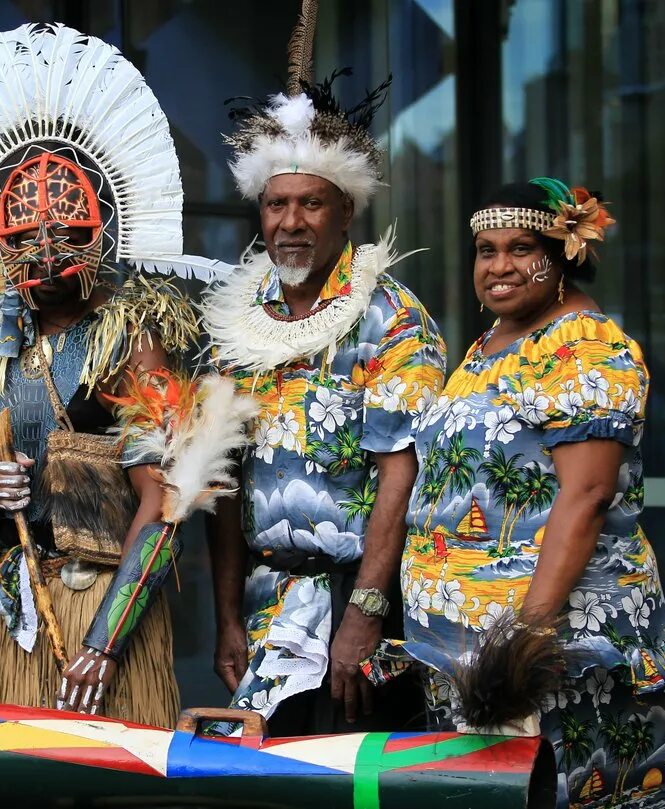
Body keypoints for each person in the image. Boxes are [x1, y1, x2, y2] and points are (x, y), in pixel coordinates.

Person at [0, 24, 217, 729]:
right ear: (1, 245)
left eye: (60, 238)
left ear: (95, 236)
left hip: (104, 608)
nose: (42, 256)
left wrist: (104, 640)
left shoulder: (134, 341)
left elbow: (163, 511)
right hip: (15, 606)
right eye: (24, 243)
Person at [362, 178, 665, 807]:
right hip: (473, 658)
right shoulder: (489, 344)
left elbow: (588, 496)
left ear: (562, 256)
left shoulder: (582, 345)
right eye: (485, 250)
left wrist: (524, 641)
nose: (499, 266)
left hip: (552, 655)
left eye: (522, 249)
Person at [200, 5, 446, 736]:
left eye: (312, 203)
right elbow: (220, 483)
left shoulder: (391, 318)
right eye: (277, 205)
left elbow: (402, 474)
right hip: (267, 604)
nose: (292, 222)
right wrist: (226, 618)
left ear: (345, 212)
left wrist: (365, 615)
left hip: (358, 605)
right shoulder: (233, 327)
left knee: (352, 778)